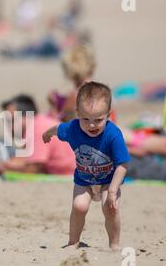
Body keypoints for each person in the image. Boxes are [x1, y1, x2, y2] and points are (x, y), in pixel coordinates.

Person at [42, 81, 131, 250]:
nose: (91, 125)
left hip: (108, 181)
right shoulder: (73, 128)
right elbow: (57, 128)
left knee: (110, 208)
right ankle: (73, 242)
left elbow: (123, 164)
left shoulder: (113, 134)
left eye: (98, 120)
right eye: (85, 119)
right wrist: (47, 134)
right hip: (84, 179)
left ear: (108, 115)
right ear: (77, 114)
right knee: (79, 206)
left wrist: (113, 190)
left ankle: (114, 243)